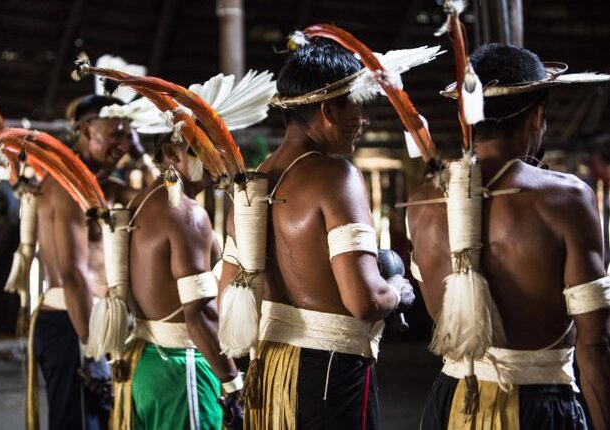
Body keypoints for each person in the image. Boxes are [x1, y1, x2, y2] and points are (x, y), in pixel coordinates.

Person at [409, 43, 610, 429]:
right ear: (537, 116)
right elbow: (594, 344)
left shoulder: (422, 201)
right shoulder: (566, 198)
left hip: (451, 402)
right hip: (539, 408)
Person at [219, 38, 414, 430]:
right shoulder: (336, 177)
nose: (365, 121)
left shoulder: (250, 188)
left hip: (270, 370)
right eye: (359, 106)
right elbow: (364, 300)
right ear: (328, 109)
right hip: (330, 376)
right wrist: (397, 287)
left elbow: (227, 294)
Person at [124, 134, 242, 430]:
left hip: (147, 364)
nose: (218, 160)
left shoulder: (142, 202)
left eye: (220, 149)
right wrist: (232, 383)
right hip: (182, 368)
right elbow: (198, 313)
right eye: (206, 150)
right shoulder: (186, 213)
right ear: (171, 153)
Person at [32, 94, 134, 430]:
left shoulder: (104, 187)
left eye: (128, 134)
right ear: (87, 130)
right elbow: (73, 274)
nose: (124, 144)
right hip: (73, 325)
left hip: (92, 325)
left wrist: (143, 154)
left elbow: (160, 200)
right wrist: (91, 349)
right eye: (115, 134)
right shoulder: (67, 187)